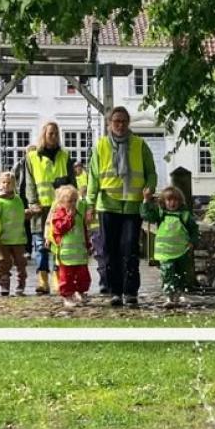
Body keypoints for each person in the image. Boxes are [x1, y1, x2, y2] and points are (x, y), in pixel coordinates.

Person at [85, 106, 157, 307]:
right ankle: (115, 291)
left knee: (130, 248)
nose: (120, 125)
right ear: (109, 124)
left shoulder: (139, 145)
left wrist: (149, 188)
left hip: (133, 205)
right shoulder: (101, 146)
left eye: (124, 121)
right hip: (108, 205)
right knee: (110, 250)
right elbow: (93, 177)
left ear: (128, 123)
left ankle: (131, 291)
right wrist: (90, 204)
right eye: (116, 121)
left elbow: (151, 172)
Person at [25, 123, 75, 294]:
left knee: (58, 244)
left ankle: (57, 277)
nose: (54, 136)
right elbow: (29, 183)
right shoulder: (32, 157)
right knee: (40, 245)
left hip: (60, 208)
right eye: (50, 133)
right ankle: (42, 279)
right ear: (44, 135)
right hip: (41, 208)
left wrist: (72, 203)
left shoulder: (65, 156)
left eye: (56, 133)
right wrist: (32, 202)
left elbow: (72, 182)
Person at [141, 185, 200, 309]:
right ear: (163, 201)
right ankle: (169, 296)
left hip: (181, 251)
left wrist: (192, 242)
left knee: (180, 274)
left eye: (175, 200)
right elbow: (146, 216)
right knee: (167, 273)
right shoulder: (161, 214)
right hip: (165, 252)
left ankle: (178, 294)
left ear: (180, 201)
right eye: (169, 200)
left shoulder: (185, 215)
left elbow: (194, 230)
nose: (172, 203)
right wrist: (146, 200)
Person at [45, 184, 92, 308]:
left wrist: (88, 244)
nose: (72, 204)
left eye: (75, 201)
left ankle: (81, 291)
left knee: (83, 276)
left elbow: (83, 230)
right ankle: (67, 295)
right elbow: (59, 229)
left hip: (80, 253)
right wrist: (68, 218)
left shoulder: (79, 214)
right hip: (65, 255)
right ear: (61, 202)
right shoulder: (58, 214)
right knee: (66, 278)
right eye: (69, 201)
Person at [0, 171, 28, 296]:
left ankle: (21, 285)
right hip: (3, 239)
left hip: (18, 238)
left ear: (14, 184)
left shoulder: (18, 199)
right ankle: (4, 285)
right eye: (3, 182)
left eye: (9, 183)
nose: (6, 185)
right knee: (3, 263)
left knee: (21, 263)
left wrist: (29, 213)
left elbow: (20, 214)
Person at [14, 145, 37, 259]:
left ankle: (41, 247)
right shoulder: (20, 164)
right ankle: (27, 249)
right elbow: (14, 176)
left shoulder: (39, 163)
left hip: (35, 197)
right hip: (23, 197)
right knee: (25, 223)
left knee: (38, 223)